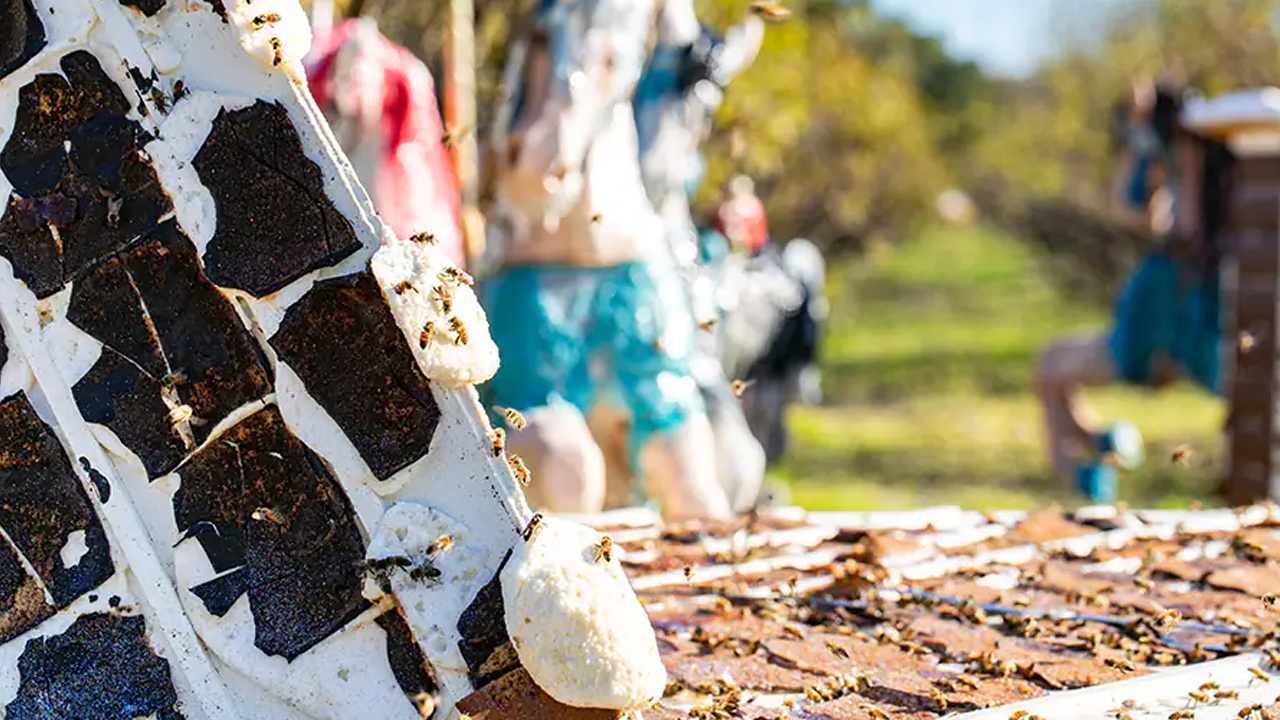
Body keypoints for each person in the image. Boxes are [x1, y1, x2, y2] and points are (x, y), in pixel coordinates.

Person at [479, 0, 732, 520]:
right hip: (534, 276)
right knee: (558, 467)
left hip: (626, 262)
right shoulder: (548, 31)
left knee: (688, 473)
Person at [1035, 84, 1230, 502]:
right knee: (1049, 367)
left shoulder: (1190, 150)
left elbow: (1182, 226)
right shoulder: (1167, 156)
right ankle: (1100, 457)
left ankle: (1096, 478)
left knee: (1051, 370)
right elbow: (1134, 210)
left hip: (1174, 313)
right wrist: (1142, 149)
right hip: (1161, 304)